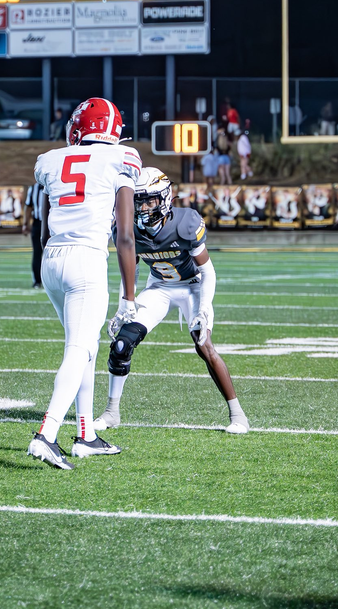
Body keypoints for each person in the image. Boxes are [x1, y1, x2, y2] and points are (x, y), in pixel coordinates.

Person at [27, 97, 142, 470]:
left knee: (84, 348)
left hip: (52, 259)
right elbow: (125, 236)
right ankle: (46, 434)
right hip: (86, 260)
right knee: (79, 349)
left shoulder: (50, 159)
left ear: (78, 127)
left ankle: (86, 436)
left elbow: (44, 224)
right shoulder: (122, 159)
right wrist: (129, 296)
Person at [93, 166, 249, 436]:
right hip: (160, 288)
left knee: (204, 346)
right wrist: (124, 305)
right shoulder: (127, 227)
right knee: (121, 344)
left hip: (192, 287)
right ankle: (111, 412)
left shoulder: (185, 222)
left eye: (148, 200)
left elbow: (208, 271)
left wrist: (202, 309)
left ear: (164, 198)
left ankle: (238, 415)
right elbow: (132, 268)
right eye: (136, 200)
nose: (141, 207)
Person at [22, 182, 45, 288]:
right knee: (37, 253)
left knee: (52, 252)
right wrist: (25, 224)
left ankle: (50, 280)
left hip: (51, 223)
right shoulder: (33, 188)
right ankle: (37, 280)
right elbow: (28, 206)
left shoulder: (53, 185)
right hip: (37, 223)